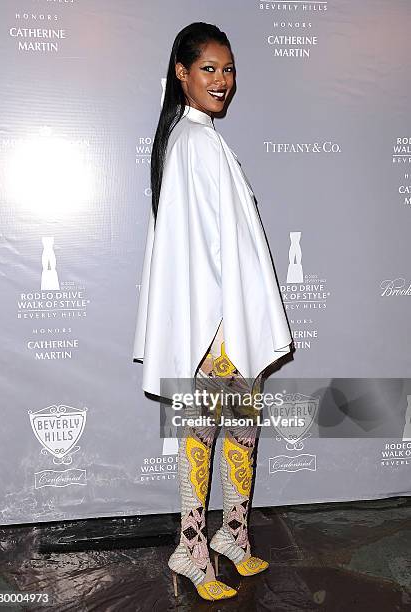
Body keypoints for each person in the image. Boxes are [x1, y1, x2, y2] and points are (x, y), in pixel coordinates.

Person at [133, 22, 293, 602]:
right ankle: (192, 545)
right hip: (217, 324)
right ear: (181, 73)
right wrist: (218, 330)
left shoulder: (198, 139)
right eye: (209, 69)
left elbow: (227, 240)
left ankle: (233, 536)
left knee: (241, 430)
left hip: (226, 319)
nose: (222, 80)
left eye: (228, 70)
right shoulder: (194, 143)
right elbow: (200, 252)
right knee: (204, 431)